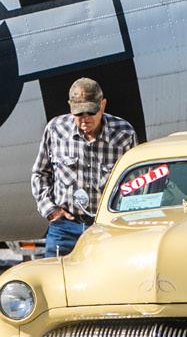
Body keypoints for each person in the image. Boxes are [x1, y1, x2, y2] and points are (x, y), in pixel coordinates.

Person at [30, 77, 136, 257]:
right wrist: (51, 210)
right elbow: (40, 173)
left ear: (102, 105)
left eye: (91, 112)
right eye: (79, 114)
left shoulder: (124, 133)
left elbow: (136, 182)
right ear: (70, 107)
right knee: (56, 274)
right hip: (64, 228)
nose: (85, 119)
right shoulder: (56, 130)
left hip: (108, 227)